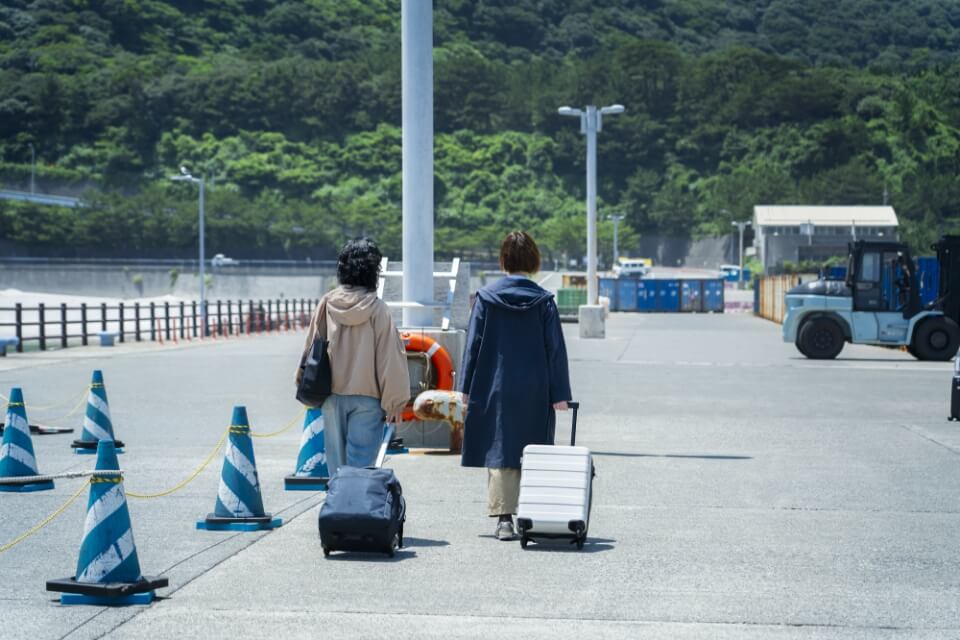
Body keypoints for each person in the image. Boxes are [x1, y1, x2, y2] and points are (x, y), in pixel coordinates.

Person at [459, 231, 572, 540]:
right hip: (536, 385)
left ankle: (504, 520)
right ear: (533, 262)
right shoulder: (544, 301)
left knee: (500, 450)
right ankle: (532, 512)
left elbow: (473, 346)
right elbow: (555, 350)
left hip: (495, 384)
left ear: (503, 261)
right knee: (533, 447)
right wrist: (560, 394)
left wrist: (465, 388)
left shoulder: (486, 298)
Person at [296, 237, 410, 473]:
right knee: (362, 466)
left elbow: (311, 346)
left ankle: (339, 506)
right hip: (368, 398)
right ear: (372, 272)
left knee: (336, 466)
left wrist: (301, 378)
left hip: (331, 395)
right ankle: (357, 507)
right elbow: (390, 357)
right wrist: (395, 402)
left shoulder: (327, 303)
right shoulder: (377, 309)